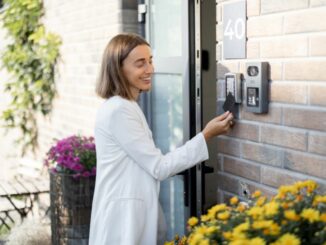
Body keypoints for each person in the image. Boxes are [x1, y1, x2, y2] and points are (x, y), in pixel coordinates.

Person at [89, 33, 234, 245]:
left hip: (128, 213)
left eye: (150, 61)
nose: (150, 69)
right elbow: (159, 167)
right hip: (122, 221)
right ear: (118, 69)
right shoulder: (119, 110)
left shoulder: (126, 106)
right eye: (140, 63)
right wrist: (207, 134)